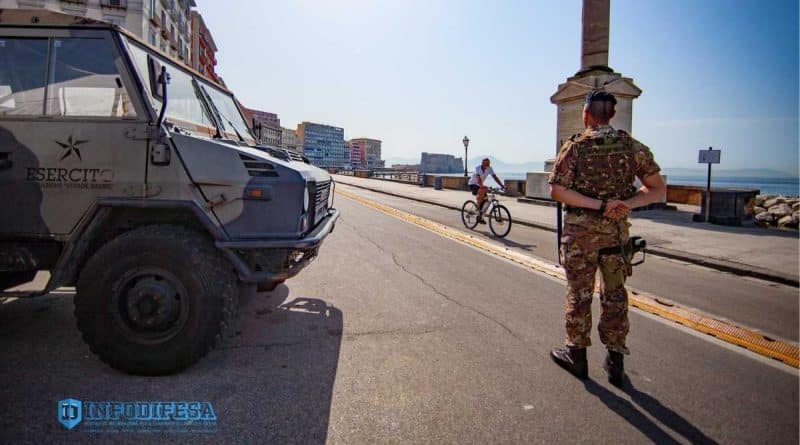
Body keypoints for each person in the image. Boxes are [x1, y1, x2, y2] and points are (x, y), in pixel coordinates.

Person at [547, 90, 666, 387]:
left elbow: (558, 191)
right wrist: (624, 205)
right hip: (615, 236)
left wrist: (598, 205)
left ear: (586, 115)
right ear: (612, 115)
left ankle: (577, 355)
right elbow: (657, 189)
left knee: (579, 293)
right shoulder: (632, 147)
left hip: (581, 237)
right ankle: (615, 360)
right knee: (615, 295)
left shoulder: (575, 148)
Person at [468, 158, 505, 223]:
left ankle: (480, 217)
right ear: (482, 163)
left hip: (480, 185)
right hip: (473, 184)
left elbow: (495, 177)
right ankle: (477, 209)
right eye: (486, 163)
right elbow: (478, 178)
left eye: (488, 163)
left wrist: (502, 185)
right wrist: (482, 185)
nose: (487, 165)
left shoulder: (489, 168)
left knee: (486, 202)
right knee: (482, 192)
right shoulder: (478, 168)